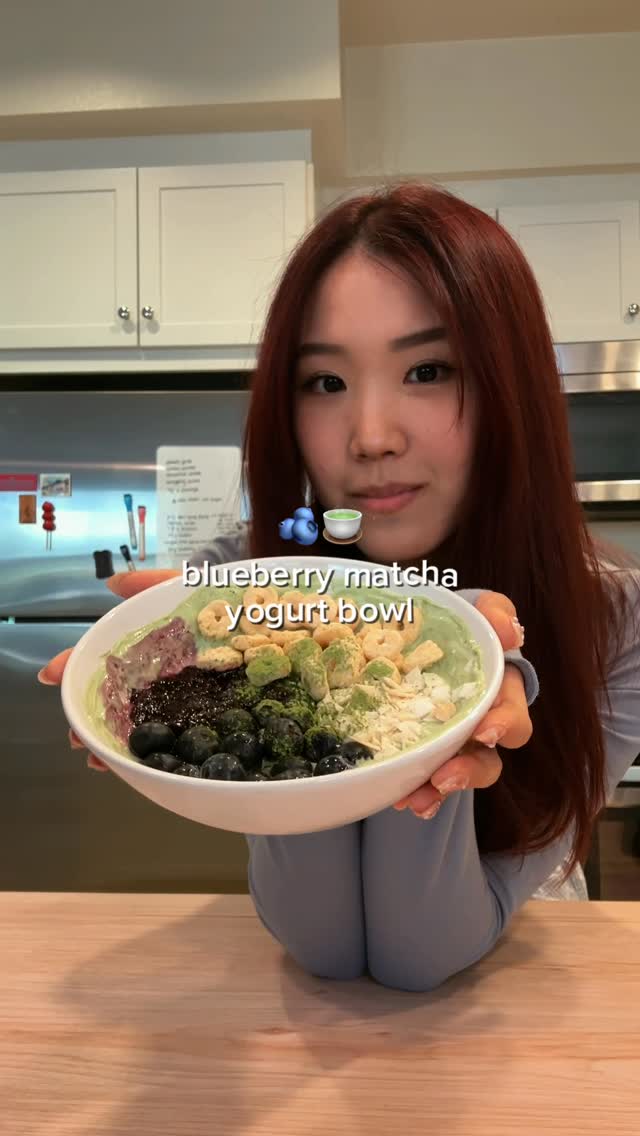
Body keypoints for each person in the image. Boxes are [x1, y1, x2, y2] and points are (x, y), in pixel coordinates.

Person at [39, 182, 640, 993]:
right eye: (325, 382)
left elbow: (420, 951)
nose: (371, 438)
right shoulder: (242, 589)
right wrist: (289, 661)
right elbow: (318, 945)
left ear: (513, 392)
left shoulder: (616, 619)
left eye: (429, 370)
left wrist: (455, 676)